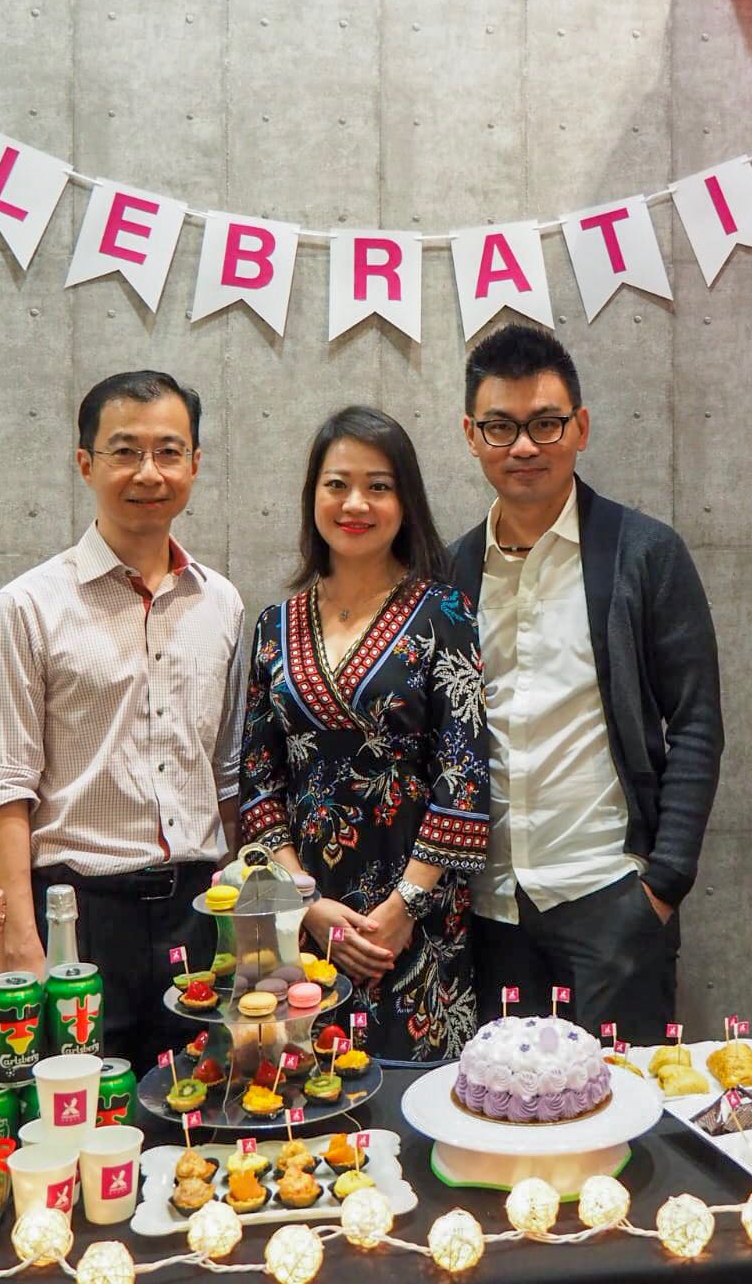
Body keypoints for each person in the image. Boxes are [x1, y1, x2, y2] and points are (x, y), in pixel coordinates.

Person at [451, 324, 723, 1045]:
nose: (524, 446)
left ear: (581, 427)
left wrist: (663, 884)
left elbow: (696, 722)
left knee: (622, 1104)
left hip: (611, 898)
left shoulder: (646, 554)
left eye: (545, 423)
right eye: (501, 427)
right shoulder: (451, 573)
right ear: (471, 436)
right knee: (504, 1103)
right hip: (490, 910)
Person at [0, 371, 245, 1073]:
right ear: (85, 463)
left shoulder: (222, 604)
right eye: (125, 451)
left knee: (200, 1103)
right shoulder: (27, 607)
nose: (149, 472)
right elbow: (3, 786)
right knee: (82, 1109)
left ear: (195, 464)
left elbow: (226, 772)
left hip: (198, 911)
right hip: (80, 917)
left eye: (168, 452)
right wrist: (22, 943)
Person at [239, 406, 490, 1061]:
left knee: (414, 1098)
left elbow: (463, 777)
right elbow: (258, 783)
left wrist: (401, 909)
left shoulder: (445, 613)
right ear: (312, 497)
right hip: (302, 927)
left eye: (379, 486)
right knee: (300, 1091)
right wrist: (306, 902)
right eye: (337, 484)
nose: (356, 504)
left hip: (415, 926)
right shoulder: (273, 625)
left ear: (405, 502)